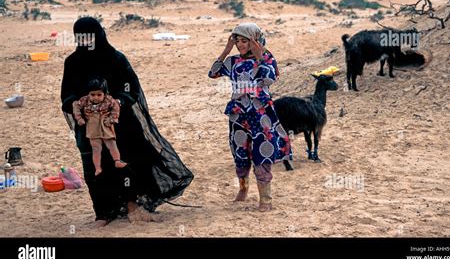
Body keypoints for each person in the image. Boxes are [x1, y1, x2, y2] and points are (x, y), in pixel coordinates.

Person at [61, 17, 194, 227]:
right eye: (81, 36)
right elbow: (66, 96)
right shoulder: (73, 63)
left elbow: (130, 88)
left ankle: (133, 206)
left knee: (128, 164)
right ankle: (103, 215)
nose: (86, 41)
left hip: (121, 123)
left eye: (90, 36)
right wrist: (78, 105)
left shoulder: (115, 59)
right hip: (89, 128)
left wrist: (118, 102)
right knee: (95, 169)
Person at [208, 22, 292, 212]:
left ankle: (266, 200)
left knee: (262, 154)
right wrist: (226, 50)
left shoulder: (267, 59)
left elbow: (269, 78)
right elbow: (212, 73)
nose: (240, 45)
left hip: (261, 114)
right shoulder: (233, 61)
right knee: (240, 153)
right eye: (237, 41)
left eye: (244, 41)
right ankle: (243, 190)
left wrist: (259, 54)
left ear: (255, 41)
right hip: (238, 114)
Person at [72, 78, 126, 176]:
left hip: (105, 124)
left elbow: (116, 107)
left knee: (112, 145)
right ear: (88, 94)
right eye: (92, 94)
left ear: (104, 94)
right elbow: (75, 106)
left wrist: (111, 119)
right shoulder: (84, 100)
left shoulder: (109, 100)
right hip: (92, 126)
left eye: (99, 95)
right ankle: (97, 168)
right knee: (96, 148)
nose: (95, 97)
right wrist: (79, 119)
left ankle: (117, 161)